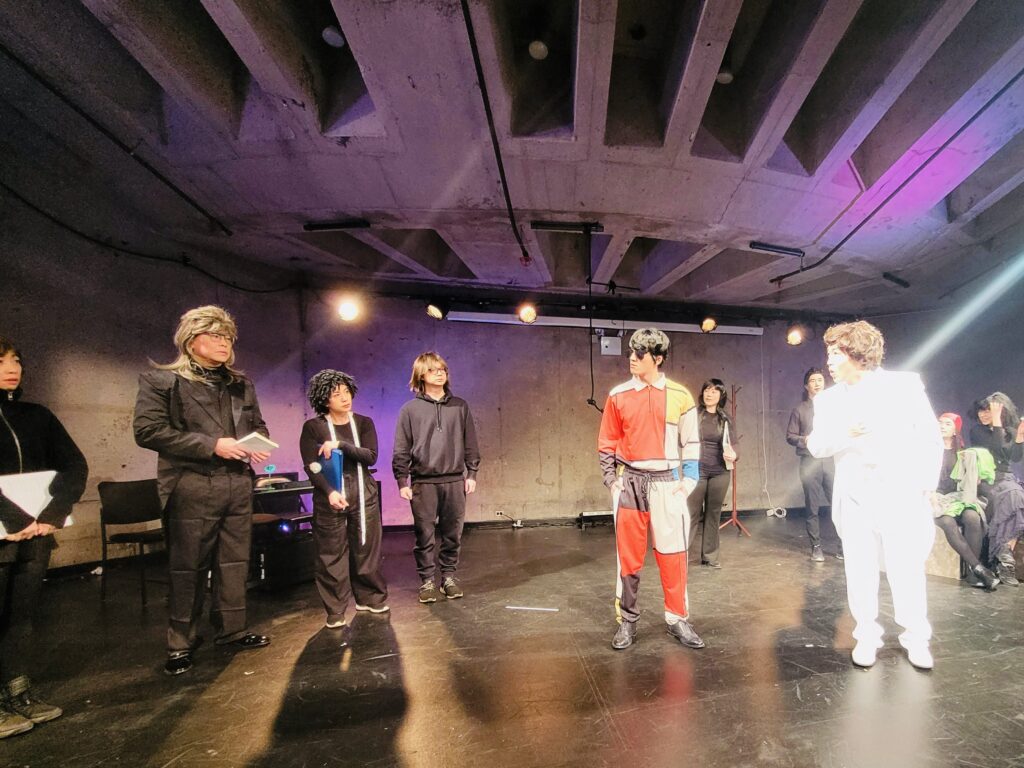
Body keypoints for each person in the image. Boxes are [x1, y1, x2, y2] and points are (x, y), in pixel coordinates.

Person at [134, 306, 271, 676]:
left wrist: (258, 442)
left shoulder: (240, 384)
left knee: (234, 561)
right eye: (214, 336)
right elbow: (148, 431)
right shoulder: (162, 381)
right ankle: (181, 642)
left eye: (227, 337)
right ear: (191, 341)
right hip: (191, 484)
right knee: (188, 565)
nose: (223, 343)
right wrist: (212, 445)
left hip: (237, 482)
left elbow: (258, 424)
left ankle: (231, 629)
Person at [807, 320, 942, 670]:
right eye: (828, 354)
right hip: (855, 495)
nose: (829, 361)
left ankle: (916, 637)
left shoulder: (904, 386)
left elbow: (930, 437)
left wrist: (927, 484)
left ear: (857, 353)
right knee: (860, 569)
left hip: (899, 492)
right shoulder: (828, 400)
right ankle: (866, 636)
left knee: (905, 568)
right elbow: (817, 445)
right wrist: (847, 433)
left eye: (836, 353)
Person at [0, 337, 87, 738]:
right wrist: (12, 517)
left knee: (22, 617)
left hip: (36, 532)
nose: (11, 368)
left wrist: (54, 512)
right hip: (7, 530)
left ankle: (18, 692)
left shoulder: (37, 415)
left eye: (16, 360)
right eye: (1, 361)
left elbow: (74, 465)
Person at [598, 328, 704, 651]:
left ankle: (677, 617)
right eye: (631, 352)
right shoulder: (618, 395)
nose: (632, 358)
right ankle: (627, 621)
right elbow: (607, 441)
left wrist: (688, 481)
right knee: (628, 559)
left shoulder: (680, 395)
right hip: (629, 482)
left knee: (674, 555)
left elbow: (691, 442)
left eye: (639, 353)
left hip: (667, 483)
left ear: (657, 358)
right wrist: (611, 480)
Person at [300, 370, 388, 628]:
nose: (344, 398)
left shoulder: (363, 422)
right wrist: (329, 491)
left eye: (347, 392)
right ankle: (336, 608)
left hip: (363, 488)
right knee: (331, 551)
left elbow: (370, 456)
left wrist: (339, 444)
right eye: (337, 394)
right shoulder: (314, 427)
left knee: (366, 545)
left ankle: (370, 597)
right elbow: (311, 466)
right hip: (331, 492)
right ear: (324, 399)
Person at [392, 352, 480, 603]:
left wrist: (472, 473)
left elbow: (470, 442)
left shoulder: (460, 406)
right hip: (424, 482)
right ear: (421, 375)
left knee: (453, 534)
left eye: (443, 369)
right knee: (425, 535)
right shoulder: (410, 410)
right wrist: (402, 480)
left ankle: (448, 577)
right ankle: (427, 581)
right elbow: (402, 447)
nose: (440, 373)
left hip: (454, 480)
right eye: (433, 370)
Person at [931, 413, 998, 591]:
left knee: (972, 517)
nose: (942, 426)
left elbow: (969, 480)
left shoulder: (964, 453)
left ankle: (972, 574)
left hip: (957, 498)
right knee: (947, 522)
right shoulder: (929, 449)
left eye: (947, 423)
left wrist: (974, 477)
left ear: (956, 430)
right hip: (934, 497)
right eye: (940, 422)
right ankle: (978, 568)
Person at [968, 393, 1024, 586]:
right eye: (981, 411)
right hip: (986, 477)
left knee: (1016, 496)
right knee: (1005, 496)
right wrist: (997, 421)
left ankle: (1004, 557)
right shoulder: (977, 431)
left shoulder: (1010, 431)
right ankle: (1003, 562)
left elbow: (1014, 457)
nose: (983, 415)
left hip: (1005, 477)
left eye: (988, 411)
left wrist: (1020, 438)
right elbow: (995, 450)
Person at [786, 368, 842, 562]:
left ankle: (842, 546)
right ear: (806, 386)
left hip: (831, 460)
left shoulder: (833, 408)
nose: (817, 383)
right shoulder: (800, 409)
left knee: (839, 504)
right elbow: (790, 436)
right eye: (813, 380)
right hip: (810, 461)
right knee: (813, 506)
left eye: (820, 380)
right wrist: (805, 439)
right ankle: (816, 547)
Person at [687, 379, 737, 569]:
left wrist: (735, 454)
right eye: (707, 390)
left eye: (714, 391)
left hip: (720, 471)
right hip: (697, 470)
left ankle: (710, 557)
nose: (709, 394)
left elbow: (735, 443)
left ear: (721, 396)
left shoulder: (725, 418)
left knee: (713, 514)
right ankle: (680, 555)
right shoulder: (693, 415)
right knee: (691, 513)